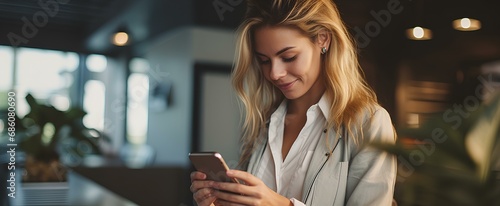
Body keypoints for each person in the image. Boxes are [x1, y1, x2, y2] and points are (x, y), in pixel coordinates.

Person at [190, 0, 397, 205]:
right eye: (264, 60)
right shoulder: (264, 124)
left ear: (323, 39)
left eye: (288, 57)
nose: (274, 73)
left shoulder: (369, 124)